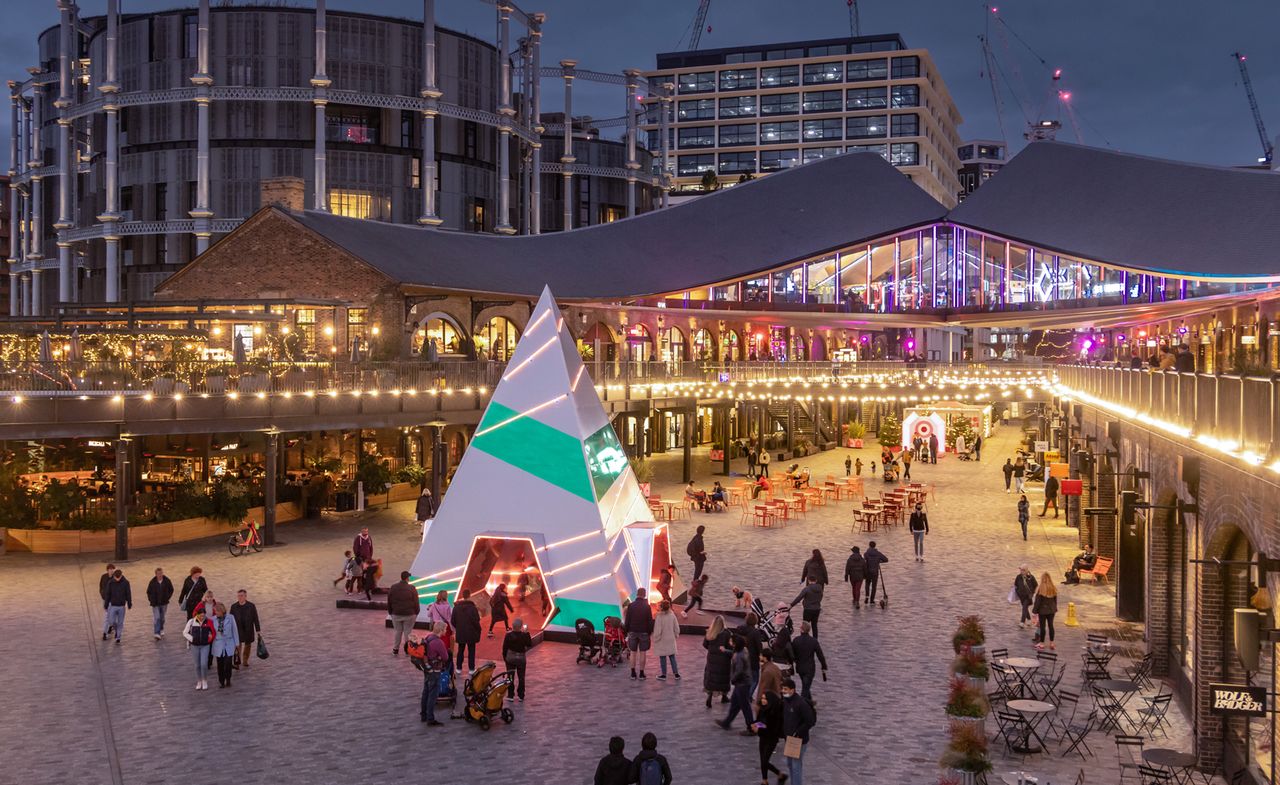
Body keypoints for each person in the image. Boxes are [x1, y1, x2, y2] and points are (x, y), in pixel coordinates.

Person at [781, 678, 817, 785]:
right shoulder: (786, 702)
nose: (783, 691)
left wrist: (798, 732)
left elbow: (810, 721)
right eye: (783, 688)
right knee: (790, 763)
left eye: (785, 689)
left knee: (796, 765)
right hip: (789, 739)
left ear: (792, 690)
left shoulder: (801, 703)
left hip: (799, 740)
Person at [717, 635, 756, 732]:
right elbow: (734, 653)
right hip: (743, 682)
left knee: (745, 706)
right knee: (735, 703)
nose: (730, 642)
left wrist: (732, 679)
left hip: (742, 683)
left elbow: (739, 671)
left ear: (735, 643)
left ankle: (751, 727)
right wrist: (725, 650)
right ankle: (727, 722)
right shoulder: (743, 650)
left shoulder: (739, 656)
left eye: (731, 641)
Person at [419, 622, 450, 725]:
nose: (445, 631)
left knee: (426, 692)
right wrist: (440, 657)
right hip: (435, 671)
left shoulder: (428, 637)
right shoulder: (438, 642)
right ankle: (430, 719)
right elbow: (446, 657)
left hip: (427, 669)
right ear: (441, 630)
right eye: (445, 629)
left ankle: (423, 715)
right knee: (433, 695)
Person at [791, 621, 827, 704]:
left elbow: (792, 654)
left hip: (800, 667)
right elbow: (820, 655)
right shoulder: (813, 641)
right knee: (805, 687)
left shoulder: (796, 640)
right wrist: (823, 666)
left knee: (805, 685)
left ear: (801, 629)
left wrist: (794, 661)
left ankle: (810, 701)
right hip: (810, 668)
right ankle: (801, 704)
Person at [702, 615, 733, 708]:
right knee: (723, 678)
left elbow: (705, 644)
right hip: (724, 661)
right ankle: (724, 696)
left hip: (711, 659)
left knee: (711, 678)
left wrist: (712, 650)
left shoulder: (710, 633)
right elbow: (731, 647)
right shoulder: (727, 634)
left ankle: (709, 697)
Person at [755, 690, 785, 785]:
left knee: (764, 760)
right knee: (762, 760)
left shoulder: (775, 712)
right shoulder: (762, 709)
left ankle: (780, 774)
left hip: (771, 739)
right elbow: (759, 721)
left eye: (765, 699)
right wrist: (756, 725)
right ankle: (765, 781)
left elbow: (772, 727)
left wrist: (759, 726)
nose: (763, 701)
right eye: (762, 698)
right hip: (762, 737)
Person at [183, 607, 217, 690]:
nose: (202, 617)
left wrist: (210, 638)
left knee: (204, 664)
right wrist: (192, 639)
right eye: (201, 616)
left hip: (205, 645)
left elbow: (213, 632)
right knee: (197, 665)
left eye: (203, 616)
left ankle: (204, 680)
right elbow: (184, 632)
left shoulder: (208, 622)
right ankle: (199, 681)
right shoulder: (191, 622)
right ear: (197, 615)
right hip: (195, 646)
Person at [623, 588, 654, 680]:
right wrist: (649, 632)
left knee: (633, 653)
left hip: (632, 631)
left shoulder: (631, 606)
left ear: (637, 594)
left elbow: (627, 620)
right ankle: (641, 674)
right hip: (644, 632)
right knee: (643, 653)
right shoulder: (647, 607)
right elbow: (650, 621)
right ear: (644, 595)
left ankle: (633, 673)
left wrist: (626, 631)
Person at [387, 571, 420, 656]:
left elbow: (389, 600)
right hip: (409, 614)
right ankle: (407, 650)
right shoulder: (412, 588)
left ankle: (395, 649)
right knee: (408, 632)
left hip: (396, 613)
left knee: (398, 631)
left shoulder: (393, 587)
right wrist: (416, 612)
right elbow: (416, 602)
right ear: (407, 578)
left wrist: (390, 611)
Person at [502, 617, 533, 701]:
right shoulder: (524, 635)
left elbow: (504, 648)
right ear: (521, 626)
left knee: (510, 677)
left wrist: (505, 657)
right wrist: (526, 633)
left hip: (510, 658)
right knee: (521, 677)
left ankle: (511, 695)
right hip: (521, 659)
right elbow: (529, 644)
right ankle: (521, 695)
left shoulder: (508, 635)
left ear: (513, 626)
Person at [210, 602, 240, 688]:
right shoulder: (213, 619)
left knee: (228, 663)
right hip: (218, 644)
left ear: (222, 610)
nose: (216, 613)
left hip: (229, 643)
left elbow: (235, 630)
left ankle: (228, 679)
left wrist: (237, 643)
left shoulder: (230, 618)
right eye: (215, 611)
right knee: (220, 664)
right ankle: (221, 681)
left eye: (217, 611)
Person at [452, 588, 482, 672]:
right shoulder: (473, 608)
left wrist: (458, 627)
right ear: (469, 596)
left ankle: (458, 668)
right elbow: (476, 620)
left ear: (463, 595)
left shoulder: (456, 607)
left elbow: (453, 620)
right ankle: (471, 669)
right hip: (471, 632)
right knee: (471, 651)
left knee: (460, 650)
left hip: (461, 632)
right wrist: (478, 629)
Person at [651, 600, 682, 681]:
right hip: (671, 639)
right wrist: (676, 635)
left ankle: (664, 675)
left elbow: (658, 630)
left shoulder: (659, 617)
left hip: (662, 640)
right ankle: (676, 674)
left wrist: (655, 638)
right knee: (672, 657)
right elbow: (676, 628)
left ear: (661, 607)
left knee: (663, 658)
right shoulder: (672, 615)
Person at [102, 569, 132, 644]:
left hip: (122, 606)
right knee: (111, 621)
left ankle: (118, 637)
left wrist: (129, 603)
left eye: (119, 577)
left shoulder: (126, 583)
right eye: (116, 578)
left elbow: (128, 593)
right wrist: (106, 605)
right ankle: (116, 630)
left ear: (121, 575)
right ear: (114, 576)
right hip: (113, 605)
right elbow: (108, 594)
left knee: (120, 622)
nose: (118, 579)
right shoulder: (110, 583)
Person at [146, 567, 174, 640]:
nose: (160, 575)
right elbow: (148, 592)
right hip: (155, 603)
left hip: (164, 603)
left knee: (162, 618)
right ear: (156, 574)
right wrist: (151, 600)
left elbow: (171, 589)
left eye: (161, 573)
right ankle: (157, 633)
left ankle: (161, 628)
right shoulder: (152, 582)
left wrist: (167, 597)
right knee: (157, 617)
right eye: (158, 574)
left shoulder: (167, 581)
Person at [1032, 573, 1058, 650]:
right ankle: (1052, 642)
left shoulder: (1041, 589)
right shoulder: (1053, 588)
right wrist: (1054, 608)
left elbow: (1037, 602)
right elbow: (1055, 600)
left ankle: (1042, 643)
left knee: (1042, 627)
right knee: (1051, 626)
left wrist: (1034, 611)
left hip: (1042, 611)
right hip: (1051, 610)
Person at [755, 649, 783, 715]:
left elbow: (763, 688)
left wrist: (758, 702)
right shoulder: (775, 667)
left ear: (764, 657)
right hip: (777, 697)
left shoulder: (767, 671)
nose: (759, 657)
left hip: (769, 701)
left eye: (760, 655)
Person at [863, 541, 888, 606]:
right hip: (875, 572)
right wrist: (879, 561)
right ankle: (872, 600)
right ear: (875, 546)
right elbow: (886, 559)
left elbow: (864, 560)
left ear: (869, 545)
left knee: (867, 584)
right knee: (874, 586)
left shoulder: (866, 553)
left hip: (868, 571)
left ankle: (867, 597)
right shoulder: (878, 553)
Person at [100, 563, 117, 637]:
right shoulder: (103, 577)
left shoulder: (116, 577)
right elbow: (101, 586)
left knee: (111, 616)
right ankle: (106, 631)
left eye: (112, 569)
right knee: (107, 615)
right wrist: (102, 594)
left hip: (113, 600)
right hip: (106, 599)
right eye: (110, 569)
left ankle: (110, 627)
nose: (111, 571)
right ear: (107, 570)